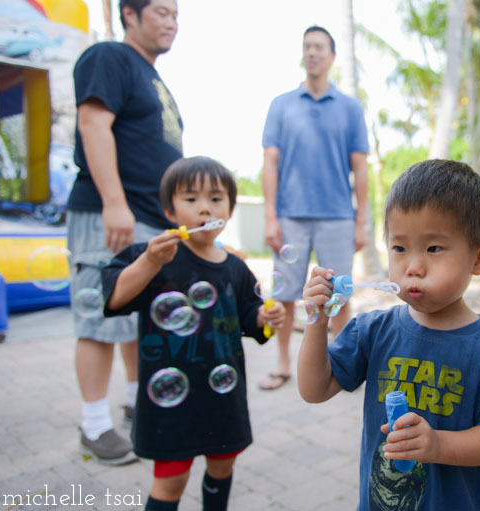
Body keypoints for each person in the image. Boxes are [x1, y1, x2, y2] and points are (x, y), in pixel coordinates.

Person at [298, 159, 480, 510]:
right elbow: (314, 390)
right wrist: (317, 322)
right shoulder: (373, 331)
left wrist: (439, 446)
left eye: (434, 248)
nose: (413, 267)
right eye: (399, 248)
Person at [101, 156, 286, 511]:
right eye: (191, 199)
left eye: (216, 199)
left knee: (222, 466)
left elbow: (250, 318)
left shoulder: (236, 268)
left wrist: (264, 316)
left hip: (222, 399)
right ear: (170, 211)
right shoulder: (154, 255)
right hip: (169, 402)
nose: (205, 208)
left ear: (229, 209)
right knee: (170, 481)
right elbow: (115, 297)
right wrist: (150, 262)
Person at [66, 0, 182, 465]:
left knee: (139, 318)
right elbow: (93, 124)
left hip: (149, 220)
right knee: (100, 318)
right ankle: (94, 425)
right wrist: (114, 202)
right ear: (128, 14)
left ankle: (140, 403)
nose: (172, 21)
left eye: (176, 13)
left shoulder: (153, 77)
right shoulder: (109, 57)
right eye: (161, 11)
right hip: (110, 214)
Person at [259, 25, 369, 390]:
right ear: (302, 54)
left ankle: (340, 364)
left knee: (339, 294)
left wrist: (361, 220)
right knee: (286, 294)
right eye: (307, 46)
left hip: (338, 215)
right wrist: (271, 216)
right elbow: (270, 163)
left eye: (319, 47)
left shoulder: (350, 109)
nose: (312, 52)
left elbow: (360, 167)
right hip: (290, 216)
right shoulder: (281, 105)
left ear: (332, 56)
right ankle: (283, 363)